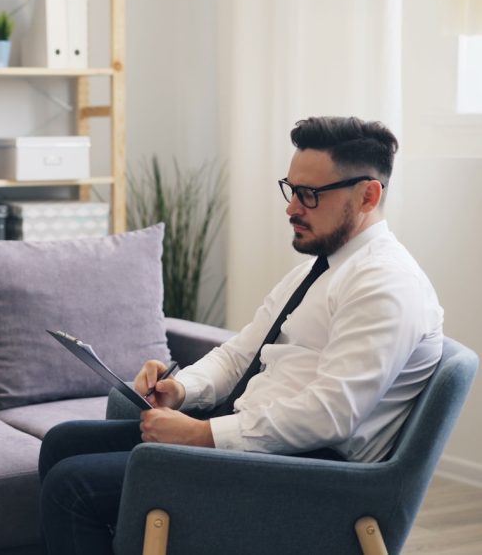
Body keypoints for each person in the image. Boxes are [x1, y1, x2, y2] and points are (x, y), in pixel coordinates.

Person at [38, 116, 444, 554]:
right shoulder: (319, 269)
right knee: (65, 442)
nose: (292, 208)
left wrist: (203, 435)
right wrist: (180, 388)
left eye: (309, 195)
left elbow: (331, 414)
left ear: (368, 195)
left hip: (304, 471)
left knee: (74, 486)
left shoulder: (385, 284)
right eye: (291, 190)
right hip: (256, 442)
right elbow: (239, 354)